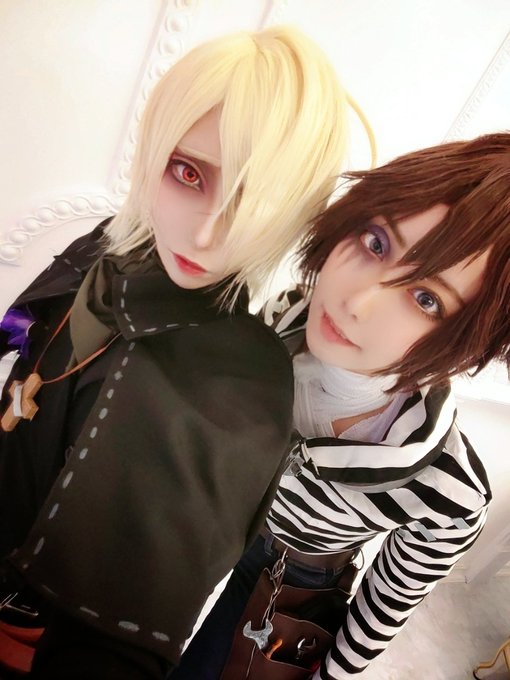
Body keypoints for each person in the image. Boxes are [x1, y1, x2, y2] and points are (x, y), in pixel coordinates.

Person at [0, 25, 363, 679]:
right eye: (188, 172)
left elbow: (116, 643)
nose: (205, 233)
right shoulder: (111, 244)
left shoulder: (234, 383)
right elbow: (22, 343)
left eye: (255, 199)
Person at [171, 132, 510, 679]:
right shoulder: (264, 323)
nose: (357, 301)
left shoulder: (449, 492)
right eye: (377, 243)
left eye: (426, 299)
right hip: (198, 518)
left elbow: (377, 617)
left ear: (471, 343)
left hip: (287, 579)